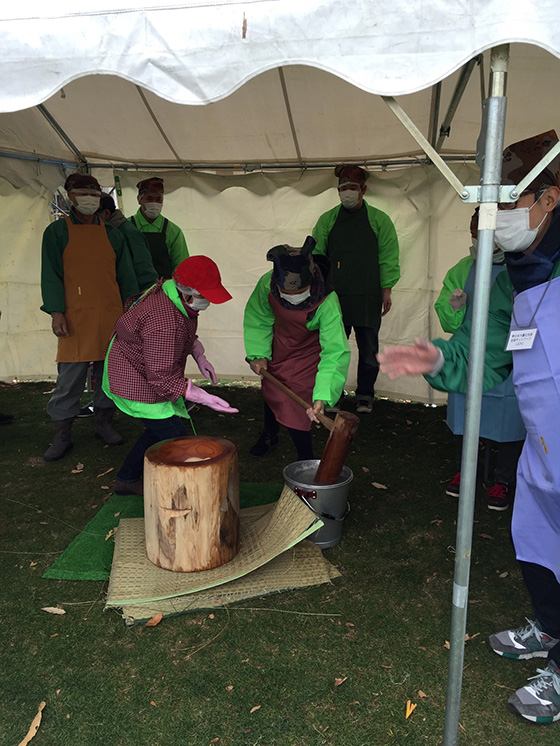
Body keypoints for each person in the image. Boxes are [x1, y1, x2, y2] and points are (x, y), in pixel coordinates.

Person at [378, 131, 560, 724]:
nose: (495, 218)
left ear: (548, 200)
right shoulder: (513, 275)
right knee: (537, 546)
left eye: (506, 203)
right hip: (542, 447)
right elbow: (486, 357)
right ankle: (551, 629)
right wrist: (436, 361)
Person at [103, 255, 237, 496]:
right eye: (204, 296)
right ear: (186, 293)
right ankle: (178, 488)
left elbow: (185, 331)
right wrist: (201, 396)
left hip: (144, 367)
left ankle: (126, 477)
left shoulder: (171, 293)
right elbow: (161, 378)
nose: (207, 302)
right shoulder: (163, 321)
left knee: (160, 429)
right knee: (175, 435)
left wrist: (198, 353)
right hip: (133, 376)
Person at [41, 173, 139, 461]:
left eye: (93, 192)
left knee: (109, 375)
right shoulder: (56, 233)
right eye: (82, 192)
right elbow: (51, 276)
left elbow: (126, 277)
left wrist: (130, 309)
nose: (88, 198)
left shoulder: (113, 234)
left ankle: (103, 423)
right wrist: (56, 312)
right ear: (70, 196)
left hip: (110, 315)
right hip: (74, 318)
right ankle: (62, 433)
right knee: (69, 379)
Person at [434, 210, 525, 510]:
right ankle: (466, 471)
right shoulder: (463, 268)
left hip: (508, 356)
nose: (482, 241)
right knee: (464, 410)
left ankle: (503, 479)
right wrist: (455, 307)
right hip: (469, 353)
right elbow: (448, 320)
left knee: (510, 415)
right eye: (476, 234)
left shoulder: (522, 268)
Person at [244, 236, 350, 461]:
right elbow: (258, 318)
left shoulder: (327, 300)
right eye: (286, 293)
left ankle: (306, 459)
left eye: (298, 292)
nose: (292, 298)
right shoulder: (267, 284)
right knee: (272, 389)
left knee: (294, 405)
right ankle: (270, 435)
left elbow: (334, 351)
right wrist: (259, 354)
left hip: (309, 353)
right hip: (280, 345)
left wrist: (323, 395)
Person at [312, 164, 400, 414]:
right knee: (333, 349)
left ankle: (364, 395)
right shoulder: (327, 220)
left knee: (369, 350)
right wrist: (318, 292)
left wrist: (387, 288)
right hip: (334, 296)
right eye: (343, 188)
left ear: (364, 189)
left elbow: (389, 256)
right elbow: (317, 257)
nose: (347, 192)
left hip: (367, 295)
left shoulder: (379, 220)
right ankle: (331, 395)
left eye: (352, 188)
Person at [129, 177, 189, 279]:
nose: (154, 203)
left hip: (165, 290)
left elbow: (182, 268)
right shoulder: (127, 228)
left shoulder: (173, 231)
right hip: (134, 290)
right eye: (149, 198)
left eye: (158, 199)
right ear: (139, 199)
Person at [98, 194, 158, 292]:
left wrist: (146, 297)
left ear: (106, 213)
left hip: (133, 297)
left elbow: (145, 270)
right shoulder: (106, 232)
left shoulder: (127, 233)